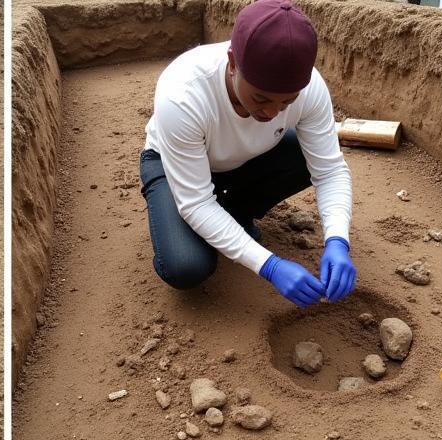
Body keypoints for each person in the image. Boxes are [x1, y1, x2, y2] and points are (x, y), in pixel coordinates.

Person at [141, 0, 356, 307]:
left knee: (303, 154)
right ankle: (202, 221)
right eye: (261, 98)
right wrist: (269, 266)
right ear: (232, 62)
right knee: (186, 267)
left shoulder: (310, 89)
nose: (272, 112)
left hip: (243, 158)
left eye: (286, 103)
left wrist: (337, 240)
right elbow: (197, 201)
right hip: (171, 163)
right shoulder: (183, 94)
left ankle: (233, 212)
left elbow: (330, 170)